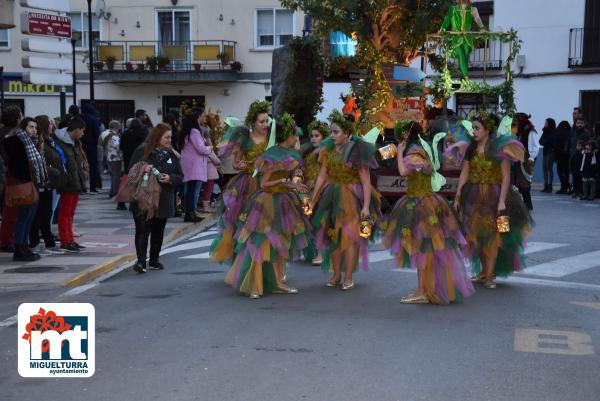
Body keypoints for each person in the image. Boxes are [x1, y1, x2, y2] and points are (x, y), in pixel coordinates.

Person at [382, 122, 474, 304]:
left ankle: (423, 291)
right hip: (423, 203)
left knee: (424, 249)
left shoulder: (415, 153)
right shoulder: (421, 149)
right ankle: (422, 289)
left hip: (421, 204)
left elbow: (403, 171)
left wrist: (399, 152)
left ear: (406, 135)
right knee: (422, 249)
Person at [225, 114, 310, 298]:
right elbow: (265, 184)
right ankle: (256, 285)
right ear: (287, 136)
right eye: (294, 135)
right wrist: (283, 180)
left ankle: (274, 282)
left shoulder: (283, 154)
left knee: (279, 243)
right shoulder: (274, 155)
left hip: (281, 200)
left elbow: (282, 181)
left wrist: (294, 185)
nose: (296, 138)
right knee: (262, 243)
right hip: (269, 202)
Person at [448, 112, 533, 289]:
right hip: (473, 195)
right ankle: (483, 272)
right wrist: (458, 195)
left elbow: (506, 177)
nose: (474, 131)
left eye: (477, 128)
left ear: (487, 130)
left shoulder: (499, 149)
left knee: (494, 236)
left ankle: (489, 275)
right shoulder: (470, 149)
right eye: (473, 128)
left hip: (495, 196)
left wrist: (502, 201)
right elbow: (465, 172)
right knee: (476, 235)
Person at [311, 110, 382, 290]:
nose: (332, 135)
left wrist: (365, 206)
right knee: (333, 236)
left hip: (351, 197)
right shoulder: (327, 149)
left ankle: (348, 277)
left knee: (350, 238)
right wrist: (314, 198)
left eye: (336, 132)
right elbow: (322, 176)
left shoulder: (357, 151)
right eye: (332, 132)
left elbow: (366, 180)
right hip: (331, 196)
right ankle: (336, 275)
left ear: (347, 134)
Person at [210, 100, 270, 264]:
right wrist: (240, 165)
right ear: (253, 122)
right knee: (245, 222)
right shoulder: (245, 139)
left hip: (268, 184)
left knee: (268, 223)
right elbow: (236, 163)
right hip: (247, 184)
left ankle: (268, 261)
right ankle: (246, 260)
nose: (265, 124)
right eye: (262, 121)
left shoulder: (272, 138)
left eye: (267, 121)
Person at [128, 123, 182, 273]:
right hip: (143, 197)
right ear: (157, 137)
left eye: (170, 137)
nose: (169, 140)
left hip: (163, 198)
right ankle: (140, 262)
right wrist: (142, 169)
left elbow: (181, 176)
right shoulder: (142, 151)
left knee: (158, 230)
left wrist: (170, 178)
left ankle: (153, 260)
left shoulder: (172, 154)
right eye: (167, 137)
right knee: (142, 229)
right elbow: (130, 171)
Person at [3, 117, 49, 261]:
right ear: (23, 128)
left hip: (32, 182)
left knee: (29, 216)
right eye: (30, 127)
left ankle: (24, 246)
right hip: (22, 182)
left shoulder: (31, 143)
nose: (34, 130)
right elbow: (13, 160)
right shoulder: (16, 141)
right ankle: (19, 248)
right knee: (23, 217)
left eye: (35, 128)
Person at [29, 115, 67, 255]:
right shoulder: (40, 142)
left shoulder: (50, 141)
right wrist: (54, 171)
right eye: (49, 123)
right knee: (39, 214)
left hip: (49, 182)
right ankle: (36, 243)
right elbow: (40, 163)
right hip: (42, 182)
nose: (52, 125)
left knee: (47, 213)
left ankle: (49, 242)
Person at [54, 117, 87, 253]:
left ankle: (70, 239)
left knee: (70, 213)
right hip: (68, 182)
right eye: (82, 131)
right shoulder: (62, 142)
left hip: (74, 181)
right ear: (77, 129)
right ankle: (65, 240)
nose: (83, 134)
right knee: (65, 213)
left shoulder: (73, 142)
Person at [300, 120, 329, 264]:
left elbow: (325, 173)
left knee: (320, 222)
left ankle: (321, 253)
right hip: (307, 190)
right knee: (309, 222)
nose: (313, 138)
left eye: (317, 135)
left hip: (321, 190)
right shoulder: (309, 151)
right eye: (312, 135)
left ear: (324, 137)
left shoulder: (325, 151)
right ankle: (314, 250)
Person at [179, 111, 213, 222]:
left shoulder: (188, 131)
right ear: (196, 118)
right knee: (192, 190)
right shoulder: (194, 132)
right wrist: (210, 148)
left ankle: (190, 212)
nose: (203, 118)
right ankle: (190, 213)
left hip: (190, 163)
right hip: (194, 164)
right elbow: (201, 148)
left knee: (190, 189)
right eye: (201, 116)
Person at [439, 0, 485, 79]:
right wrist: (442, 29)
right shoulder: (453, 9)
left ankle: (463, 79)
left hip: (468, 38)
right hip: (457, 37)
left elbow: (477, 18)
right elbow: (447, 20)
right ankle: (467, 78)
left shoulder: (473, 9)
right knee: (461, 56)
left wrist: (482, 28)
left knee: (466, 58)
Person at [0, 105, 23, 253]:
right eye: (20, 115)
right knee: (11, 212)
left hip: (7, 175)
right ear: (16, 119)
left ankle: (7, 239)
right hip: (11, 176)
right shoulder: (12, 135)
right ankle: (7, 240)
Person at [513, 113, 539, 210]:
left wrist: (531, 157)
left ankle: (528, 204)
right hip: (519, 157)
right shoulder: (521, 132)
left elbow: (534, 146)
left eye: (517, 122)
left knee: (525, 181)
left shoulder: (531, 131)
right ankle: (525, 202)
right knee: (519, 181)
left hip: (527, 158)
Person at [539, 118, 556, 193]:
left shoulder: (553, 132)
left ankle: (550, 186)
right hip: (545, 152)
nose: (545, 124)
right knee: (544, 169)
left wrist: (545, 142)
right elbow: (540, 141)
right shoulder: (545, 131)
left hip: (551, 152)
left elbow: (551, 141)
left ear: (550, 124)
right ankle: (545, 185)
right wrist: (545, 142)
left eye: (546, 123)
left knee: (549, 168)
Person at [554, 121, 571, 194]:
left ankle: (564, 186)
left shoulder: (558, 133)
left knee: (560, 171)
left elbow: (555, 144)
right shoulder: (570, 133)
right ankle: (566, 186)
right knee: (566, 172)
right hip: (567, 156)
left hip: (559, 156)